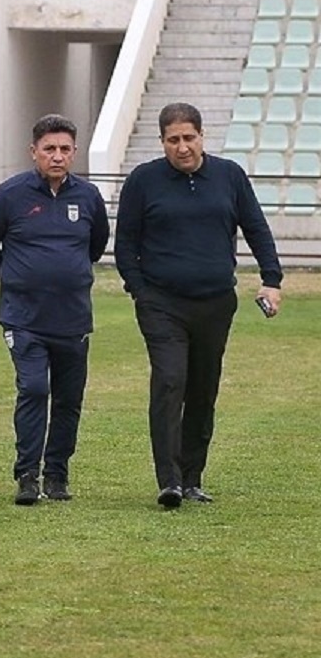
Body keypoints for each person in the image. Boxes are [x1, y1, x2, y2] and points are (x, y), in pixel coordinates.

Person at [115, 102, 283, 509]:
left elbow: (256, 228)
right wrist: (140, 291)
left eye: (189, 138)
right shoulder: (143, 181)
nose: (182, 147)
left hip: (215, 304)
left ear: (202, 136)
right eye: (173, 140)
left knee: (203, 389)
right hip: (162, 304)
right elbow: (125, 243)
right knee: (170, 381)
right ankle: (169, 481)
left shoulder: (230, 176)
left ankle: (192, 478)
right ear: (162, 142)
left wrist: (271, 279)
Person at [0, 114, 110, 505]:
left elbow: (96, 245)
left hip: (72, 318)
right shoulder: (10, 195)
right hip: (24, 318)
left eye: (65, 149)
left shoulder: (88, 197)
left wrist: (67, 273)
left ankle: (56, 475)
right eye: (49, 149)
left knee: (68, 399)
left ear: (75, 152)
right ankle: (27, 475)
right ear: (33, 151)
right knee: (34, 388)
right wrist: (17, 275)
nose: (57, 156)